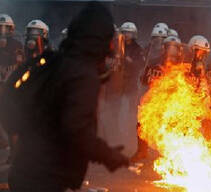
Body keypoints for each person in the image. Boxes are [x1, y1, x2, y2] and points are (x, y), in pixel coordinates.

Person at [2, 2, 130, 191]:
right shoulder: (82, 74)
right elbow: (76, 130)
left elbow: (8, 96)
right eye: (108, 40)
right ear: (99, 39)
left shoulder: (53, 60)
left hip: (26, 170)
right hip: (46, 178)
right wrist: (108, 155)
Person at [131, 36, 183, 162]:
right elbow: (145, 79)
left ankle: (171, 156)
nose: (171, 51)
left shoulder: (181, 66)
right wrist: (145, 77)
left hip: (172, 102)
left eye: (174, 48)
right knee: (142, 122)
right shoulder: (154, 62)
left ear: (179, 50)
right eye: (169, 47)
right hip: (154, 99)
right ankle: (142, 151)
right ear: (163, 49)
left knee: (172, 128)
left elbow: (184, 86)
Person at [0, 13, 23, 163]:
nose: (2, 32)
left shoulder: (16, 45)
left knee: (11, 120)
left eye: (5, 29)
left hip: (11, 88)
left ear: (12, 30)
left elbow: (20, 65)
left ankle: (14, 154)